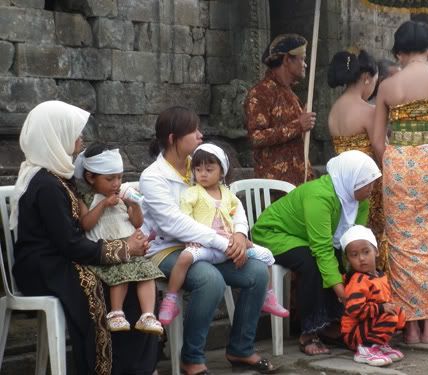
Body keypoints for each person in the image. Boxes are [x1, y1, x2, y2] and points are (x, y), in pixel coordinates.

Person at [10, 101, 153, 375]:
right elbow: (68, 242)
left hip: (62, 257)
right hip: (43, 266)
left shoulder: (58, 176)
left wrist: (126, 251)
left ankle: (135, 368)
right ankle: (105, 368)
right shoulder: (46, 185)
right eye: (74, 133)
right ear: (56, 135)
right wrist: (124, 248)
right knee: (97, 287)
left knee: (130, 279)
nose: (80, 139)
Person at [140, 106, 278, 375]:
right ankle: (192, 357)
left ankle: (241, 348)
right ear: (173, 139)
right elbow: (174, 224)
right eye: (193, 131)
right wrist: (223, 242)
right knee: (209, 279)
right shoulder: (153, 177)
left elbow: (230, 201)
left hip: (212, 244)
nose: (200, 136)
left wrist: (239, 234)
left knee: (258, 272)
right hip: (167, 249)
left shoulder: (200, 163)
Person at [372, 20, 428, 344]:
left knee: (402, 243)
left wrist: (398, 161)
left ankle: (408, 327)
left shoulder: (388, 87)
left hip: (398, 167)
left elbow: (379, 141)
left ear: (398, 52)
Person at [251, 150, 381, 356]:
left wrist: (358, 277)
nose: (371, 189)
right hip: (274, 234)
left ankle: (331, 324)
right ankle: (309, 332)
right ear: (352, 179)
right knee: (311, 262)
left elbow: (352, 243)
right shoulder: (320, 197)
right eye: (368, 183)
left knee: (335, 257)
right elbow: (321, 249)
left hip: (304, 237)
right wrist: (342, 293)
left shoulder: (360, 201)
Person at [158, 143, 289, 325]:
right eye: (198, 169)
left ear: (222, 172)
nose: (202, 173)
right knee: (185, 258)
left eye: (209, 169)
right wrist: (190, 240)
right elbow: (184, 218)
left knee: (266, 255)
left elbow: (237, 216)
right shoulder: (192, 194)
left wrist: (240, 237)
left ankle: (268, 296)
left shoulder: (228, 195)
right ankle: (170, 300)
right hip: (206, 246)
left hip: (229, 246)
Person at [74, 143, 164, 335]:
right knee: (120, 273)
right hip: (109, 250)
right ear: (91, 178)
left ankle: (147, 316)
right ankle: (116, 313)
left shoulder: (122, 196)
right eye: (110, 178)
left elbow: (137, 222)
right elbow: (85, 224)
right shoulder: (86, 199)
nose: (116, 183)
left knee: (147, 273)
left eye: (120, 177)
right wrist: (104, 204)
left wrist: (135, 206)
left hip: (132, 249)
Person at [328, 48, 389, 271]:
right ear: (366, 78)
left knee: (349, 238)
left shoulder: (334, 110)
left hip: (342, 185)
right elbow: (379, 148)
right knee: (371, 239)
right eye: (374, 80)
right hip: (367, 184)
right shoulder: (368, 111)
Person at [244, 33, 316, 186]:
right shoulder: (260, 93)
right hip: (276, 186)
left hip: (299, 181)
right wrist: (298, 125)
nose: (305, 64)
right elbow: (256, 136)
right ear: (286, 60)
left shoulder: (289, 93)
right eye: (302, 59)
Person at [340, 225, 405, 367]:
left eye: (366, 252)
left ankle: (379, 344)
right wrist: (381, 308)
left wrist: (388, 308)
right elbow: (354, 310)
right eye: (354, 255)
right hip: (353, 334)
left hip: (368, 326)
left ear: (376, 251)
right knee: (389, 315)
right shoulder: (358, 280)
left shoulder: (381, 276)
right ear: (348, 259)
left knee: (398, 312)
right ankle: (366, 349)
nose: (361, 258)